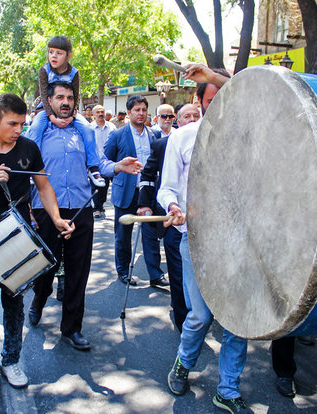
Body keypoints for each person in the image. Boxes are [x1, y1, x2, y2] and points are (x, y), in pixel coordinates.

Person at [158, 66, 253, 413]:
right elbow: (167, 187)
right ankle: (184, 363)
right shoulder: (181, 137)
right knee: (199, 316)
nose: (218, 105)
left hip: (239, 245)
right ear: (199, 102)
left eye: (223, 96)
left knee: (236, 320)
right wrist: (172, 205)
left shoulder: (247, 137)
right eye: (211, 99)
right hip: (195, 242)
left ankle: (227, 389)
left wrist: (214, 74)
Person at [0, 93, 73, 393]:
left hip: (19, 238)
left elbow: (43, 185)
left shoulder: (28, 147)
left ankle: (11, 360)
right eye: (12, 124)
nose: (18, 130)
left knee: (13, 305)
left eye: (23, 124)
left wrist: (56, 218)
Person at [27, 81, 142, 351]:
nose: (65, 102)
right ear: (49, 101)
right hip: (48, 209)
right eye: (59, 97)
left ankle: (72, 328)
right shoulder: (40, 132)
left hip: (81, 208)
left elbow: (99, 165)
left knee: (79, 271)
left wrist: (118, 166)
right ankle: (38, 300)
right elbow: (27, 165)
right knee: (47, 267)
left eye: (69, 97)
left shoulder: (84, 131)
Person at [137, 104, 200, 332]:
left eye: (196, 115)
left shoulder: (213, 140)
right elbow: (149, 175)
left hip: (205, 225)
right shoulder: (163, 144)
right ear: (179, 122)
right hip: (175, 221)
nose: (192, 119)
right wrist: (145, 204)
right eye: (187, 116)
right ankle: (183, 321)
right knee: (179, 274)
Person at [104, 95, 168, 287]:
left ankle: (155, 275)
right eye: (137, 110)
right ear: (129, 112)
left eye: (143, 109)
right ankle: (123, 271)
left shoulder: (154, 135)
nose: (141, 113)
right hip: (126, 193)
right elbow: (105, 163)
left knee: (151, 235)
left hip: (148, 194)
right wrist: (119, 170)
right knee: (123, 235)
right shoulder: (117, 135)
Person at [30, 36, 104, 188]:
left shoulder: (74, 72)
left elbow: (76, 96)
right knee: (35, 129)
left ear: (68, 55)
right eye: (51, 52)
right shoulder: (44, 70)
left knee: (88, 129)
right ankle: (33, 168)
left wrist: (72, 116)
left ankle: (93, 167)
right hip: (47, 110)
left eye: (59, 53)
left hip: (69, 112)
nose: (54, 56)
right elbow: (44, 95)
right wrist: (52, 116)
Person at [90, 105, 116, 218]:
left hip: (110, 161)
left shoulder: (112, 127)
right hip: (95, 161)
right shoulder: (89, 128)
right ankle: (96, 207)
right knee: (96, 184)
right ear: (93, 115)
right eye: (98, 112)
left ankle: (101, 204)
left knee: (106, 186)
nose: (100, 114)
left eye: (102, 111)